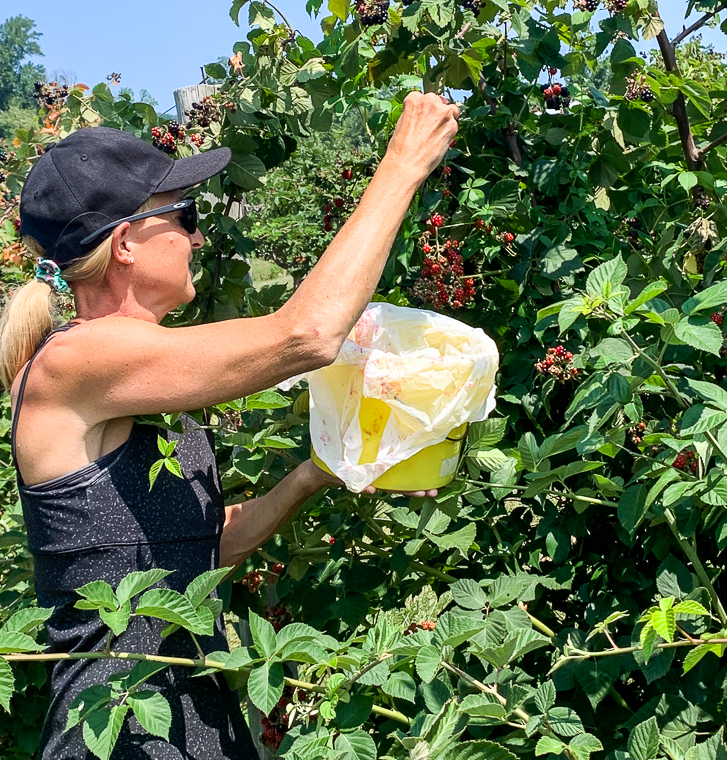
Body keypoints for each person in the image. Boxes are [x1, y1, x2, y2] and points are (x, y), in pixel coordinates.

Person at [0, 91, 459, 759]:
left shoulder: (125, 373)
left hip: (197, 727)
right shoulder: (75, 359)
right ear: (125, 244)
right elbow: (306, 334)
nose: (197, 235)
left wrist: (315, 473)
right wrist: (402, 163)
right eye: (182, 217)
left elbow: (199, 552)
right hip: (121, 736)